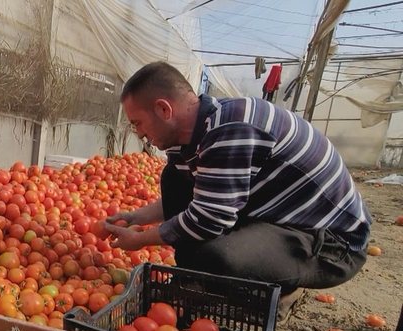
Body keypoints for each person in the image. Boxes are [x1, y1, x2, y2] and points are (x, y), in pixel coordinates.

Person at [105, 62, 371, 314]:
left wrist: (139, 240)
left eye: (137, 123)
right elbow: (200, 201)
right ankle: (226, 270)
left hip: (330, 242)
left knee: (216, 259)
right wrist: (136, 218)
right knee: (174, 178)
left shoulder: (232, 128)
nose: (137, 133)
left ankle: (276, 286)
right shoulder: (198, 133)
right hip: (279, 217)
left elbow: (208, 218)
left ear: (164, 109)